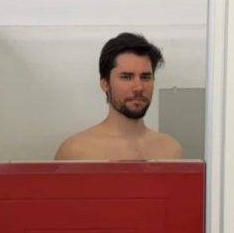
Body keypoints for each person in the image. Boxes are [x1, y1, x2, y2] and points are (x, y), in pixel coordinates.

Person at [54, 32, 183, 161]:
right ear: (105, 83)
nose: (139, 87)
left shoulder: (171, 150)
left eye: (145, 77)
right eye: (126, 77)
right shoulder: (76, 151)